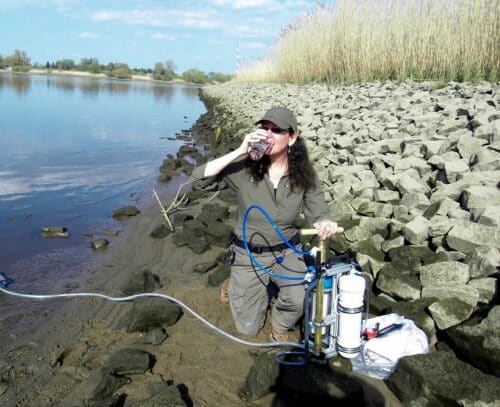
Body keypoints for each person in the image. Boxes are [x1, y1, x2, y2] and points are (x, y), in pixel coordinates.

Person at [191, 107, 338, 341]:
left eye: (276, 130)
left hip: (286, 251)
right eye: (264, 128)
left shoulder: (304, 174)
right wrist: (240, 150)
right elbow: (198, 180)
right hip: (249, 253)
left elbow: (318, 209)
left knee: (298, 298)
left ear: (292, 137)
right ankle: (233, 283)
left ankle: (279, 326)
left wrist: (324, 221)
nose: (268, 134)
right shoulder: (244, 167)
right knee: (248, 328)